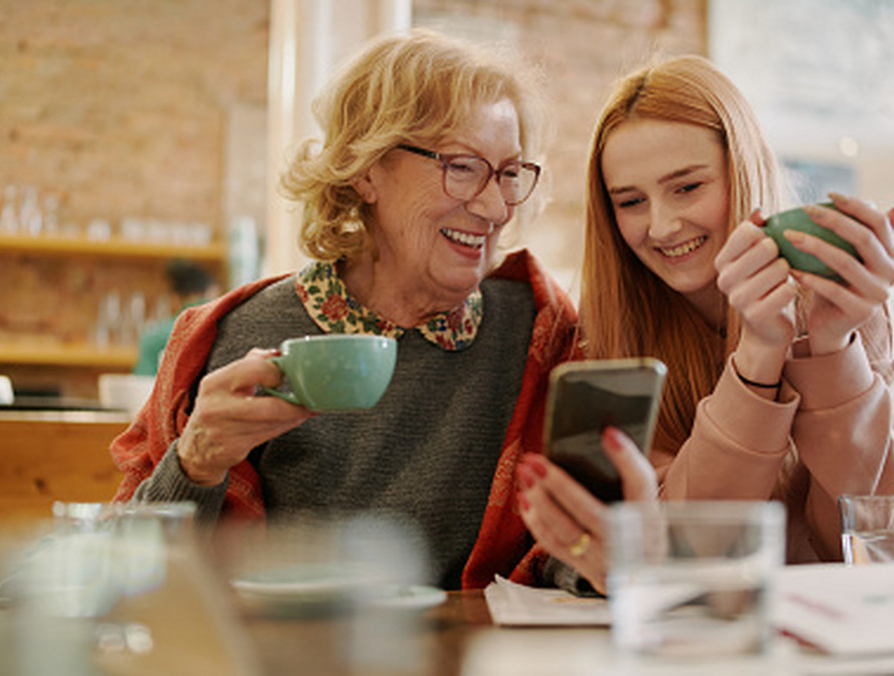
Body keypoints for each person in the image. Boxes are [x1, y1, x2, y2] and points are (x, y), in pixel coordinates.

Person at [108, 29, 584, 591]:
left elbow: (569, 546)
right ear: (367, 170)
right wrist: (197, 461)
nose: (494, 206)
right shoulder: (237, 336)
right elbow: (123, 574)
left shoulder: (537, 331)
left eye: (508, 173)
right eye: (461, 167)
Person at [517, 55, 894, 594]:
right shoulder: (612, 338)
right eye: (630, 201)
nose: (661, 225)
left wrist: (833, 345)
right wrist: (757, 356)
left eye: (687, 187)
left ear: (742, 170)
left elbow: (865, 540)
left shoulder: (843, 303)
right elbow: (679, 552)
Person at [133, 259, 217, 376]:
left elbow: (142, 383)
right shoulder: (225, 326)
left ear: (174, 297)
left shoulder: (155, 336)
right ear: (211, 291)